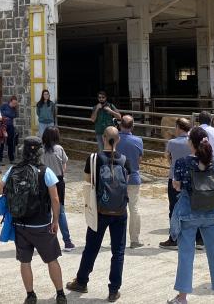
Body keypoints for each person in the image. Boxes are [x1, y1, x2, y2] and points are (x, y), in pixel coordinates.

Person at [0, 137, 67, 304]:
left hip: (20, 224)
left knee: (25, 261)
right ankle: (61, 294)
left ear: (23, 151)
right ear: (40, 152)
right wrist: (55, 221)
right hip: (42, 224)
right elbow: (55, 200)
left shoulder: (13, 169)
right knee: (52, 260)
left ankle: (30, 295)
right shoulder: (45, 171)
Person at [167, 127, 214, 304]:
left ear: (191, 143)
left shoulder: (182, 162)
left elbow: (177, 186)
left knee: (186, 255)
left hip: (189, 212)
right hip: (212, 211)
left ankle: (182, 297)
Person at [66, 126, 130, 303]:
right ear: (118, 140)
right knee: (118, 251)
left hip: (100, 210)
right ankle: (113, 290)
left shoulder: (94, 159)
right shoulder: (124, 160)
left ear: (103, 139)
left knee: (91, 247)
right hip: (120, 211)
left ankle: (81, 281)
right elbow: (127, 182)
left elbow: (87, 182)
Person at [160, 117, 194, 250]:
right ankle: (195, 237)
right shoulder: (192, 142)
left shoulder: (172, 142)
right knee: (191, 207)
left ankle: (173, 238)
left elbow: (167, 157)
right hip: (191, 177)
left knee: (173, 207)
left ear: (179, 128)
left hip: (174, 177)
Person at [42, 126, 74, 251]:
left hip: (44, 182)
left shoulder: (41, 150)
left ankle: (46, 240)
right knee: (60, 212)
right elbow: (64, 166)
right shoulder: (59, 149)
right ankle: (67, 242)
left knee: (46, 211)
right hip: (58, 182)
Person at [115, 115, 144, 249]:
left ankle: (116, 238)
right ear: (132, 126)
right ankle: (134, 239)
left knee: (116, 208)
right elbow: (139, 160)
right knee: (134, 208)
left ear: (120, 125)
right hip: (133, 177)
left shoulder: (115, 139)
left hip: (117, 178)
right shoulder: (138, 140)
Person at [0, 96, 20, 164]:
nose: (14, 104)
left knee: (11, 143)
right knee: (1, 142)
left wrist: (7, 115)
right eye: (14, 103)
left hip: (10, 126)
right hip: (3, 126)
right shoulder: (4, 106)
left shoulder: (14, 109)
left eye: (16, 103)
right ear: (10, 101)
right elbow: (0, 114)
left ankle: (11, 159)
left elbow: (15, 115)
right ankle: (0, 160)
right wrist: (7, 116)